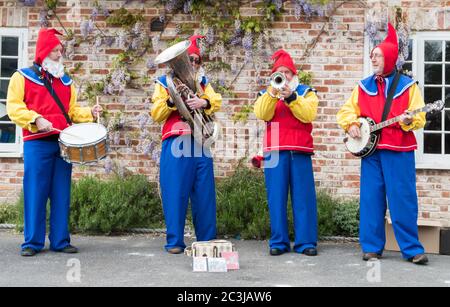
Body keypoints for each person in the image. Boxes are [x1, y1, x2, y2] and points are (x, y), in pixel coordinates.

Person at [336, 23, 428, 265]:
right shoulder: (363, 86)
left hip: (399, 150)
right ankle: (371, 247)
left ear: (388, 57)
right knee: (371, 199)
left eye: (377, 55)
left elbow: (420, 118)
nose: (373, 58)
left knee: (402, 200)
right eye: (372, 55)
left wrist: (408, 120)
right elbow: (345, 112)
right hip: (372, 152)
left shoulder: (408, 86)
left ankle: (411, 249)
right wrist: (351, 125)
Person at [6, 28, 102, 257]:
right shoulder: (21, 77)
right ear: (44, 52)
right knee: (35, 192)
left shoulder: (66, 82)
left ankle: (60, 240)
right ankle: (32, 242)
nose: (60, 54)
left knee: (61, 193)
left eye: (60, 50)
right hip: (36, 143)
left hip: (62, 143)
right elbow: (13, 107)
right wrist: (35, 119)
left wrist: (90, 111)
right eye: (56, 50)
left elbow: (71, 112)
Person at [150, 35, 222, 254]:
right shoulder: (164, 83)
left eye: (196, 60)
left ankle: (207, 240)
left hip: (200, 141)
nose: (192, 63)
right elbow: (156, 113)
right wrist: (172, 100)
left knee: (204, 192)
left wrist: (204, 101)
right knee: (175, 191)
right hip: (176, 141)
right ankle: (174, 242)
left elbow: (216, 101)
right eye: (188, 59)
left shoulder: (203, 83)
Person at [254, 50, 319, 256]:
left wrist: (291, 97)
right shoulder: (267, 94)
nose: (284, 76)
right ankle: (278, 242)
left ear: (294, 74)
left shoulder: (306, 92)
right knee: (276, 197)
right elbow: (262, 114)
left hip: (299, 149)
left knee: (304, 198)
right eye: (279, 72)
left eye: (287, 72)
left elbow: (308, 115)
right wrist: (273, 94)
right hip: (274, 151)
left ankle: (306, 242)